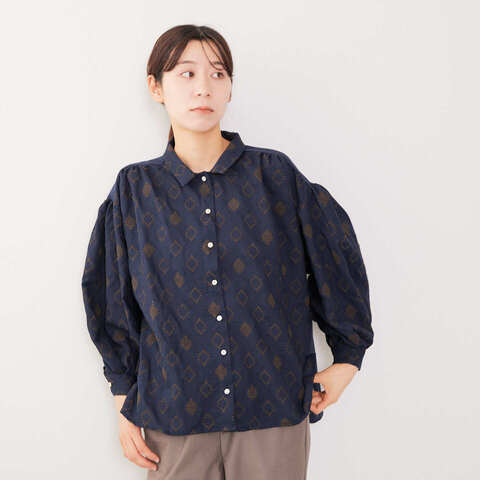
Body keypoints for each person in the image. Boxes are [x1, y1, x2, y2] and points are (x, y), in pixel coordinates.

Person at [81, 24, 374, 480]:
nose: (204, 87)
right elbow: (111, 297)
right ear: (156, 87)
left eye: (218, 74)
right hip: (174, 417)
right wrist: (124, 399)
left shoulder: (275, 176)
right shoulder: (135, 190)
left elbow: (334, 259)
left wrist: (348, 358)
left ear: (230, 88)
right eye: (187, 73)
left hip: (272, 410)